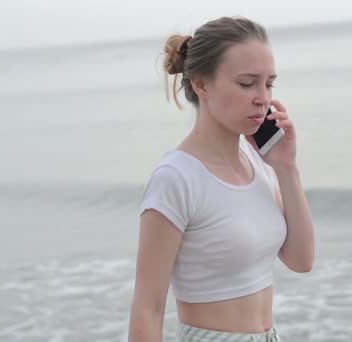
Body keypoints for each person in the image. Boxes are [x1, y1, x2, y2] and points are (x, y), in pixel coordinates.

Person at [128, 16, 316, 342]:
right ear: (201, 84)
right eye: (246, 83)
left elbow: (301, 260)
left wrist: (286, 168)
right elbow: (148, 307)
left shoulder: (260, 164)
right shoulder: (176, 179)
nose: (262, 97)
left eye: (269, 83)